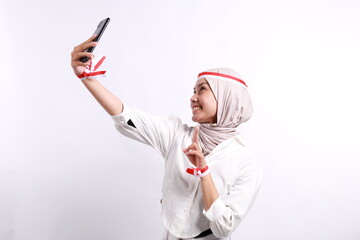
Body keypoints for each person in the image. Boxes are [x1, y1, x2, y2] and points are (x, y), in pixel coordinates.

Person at [71, 35, 263, 240]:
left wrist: (204, 171)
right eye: (193, 90)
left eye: (203, 90)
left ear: (227, 99)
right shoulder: (177, 135)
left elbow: (224, 227)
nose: (193, 97)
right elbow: (127, 116)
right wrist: (87, 78)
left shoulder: (246, 163)